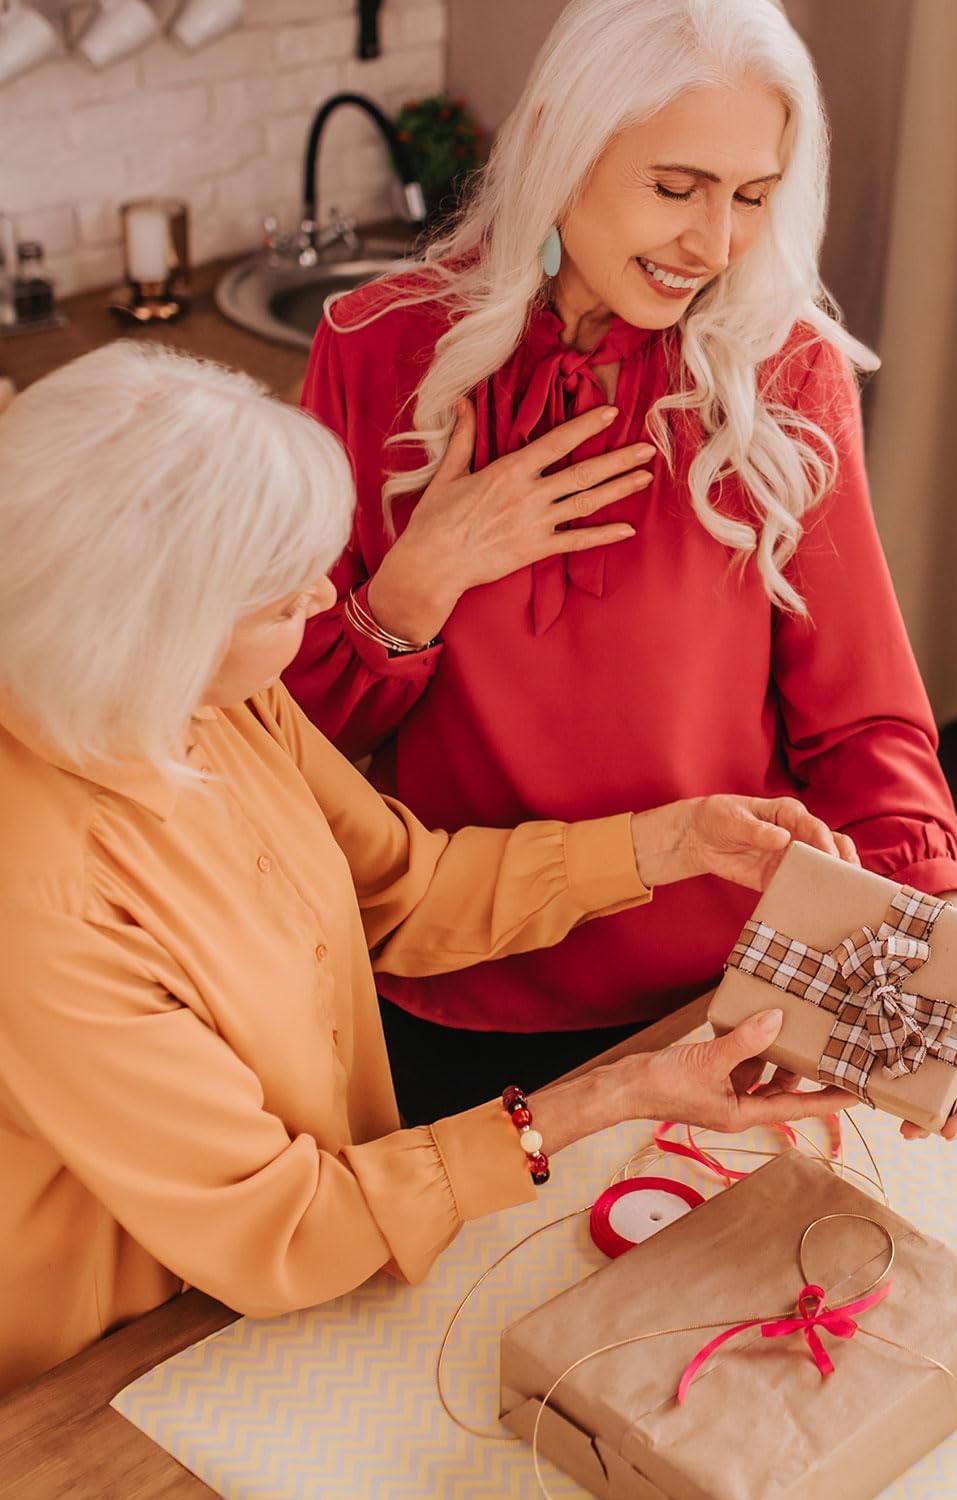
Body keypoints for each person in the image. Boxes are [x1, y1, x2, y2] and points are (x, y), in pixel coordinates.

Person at [0, 343, 860, 1398]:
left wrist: (678, 841)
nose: (322, 601)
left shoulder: (213, 700)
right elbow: (282, 1227)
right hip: (118, 1372)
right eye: (278, 599)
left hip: (336, 1262)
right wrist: (612, 1096)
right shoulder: (42, 898)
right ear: (146, 628)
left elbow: (402, 893)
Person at [287, 0, 957, 1132]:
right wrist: (413, 589)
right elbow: (281, 755)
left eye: (753, 196)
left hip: (724, 1005)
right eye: (676, 188)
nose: (715, 243)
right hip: (446, 997)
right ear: (559, 144)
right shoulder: (376, 353)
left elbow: (862, 721)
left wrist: (945, 962)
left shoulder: (785, 375)